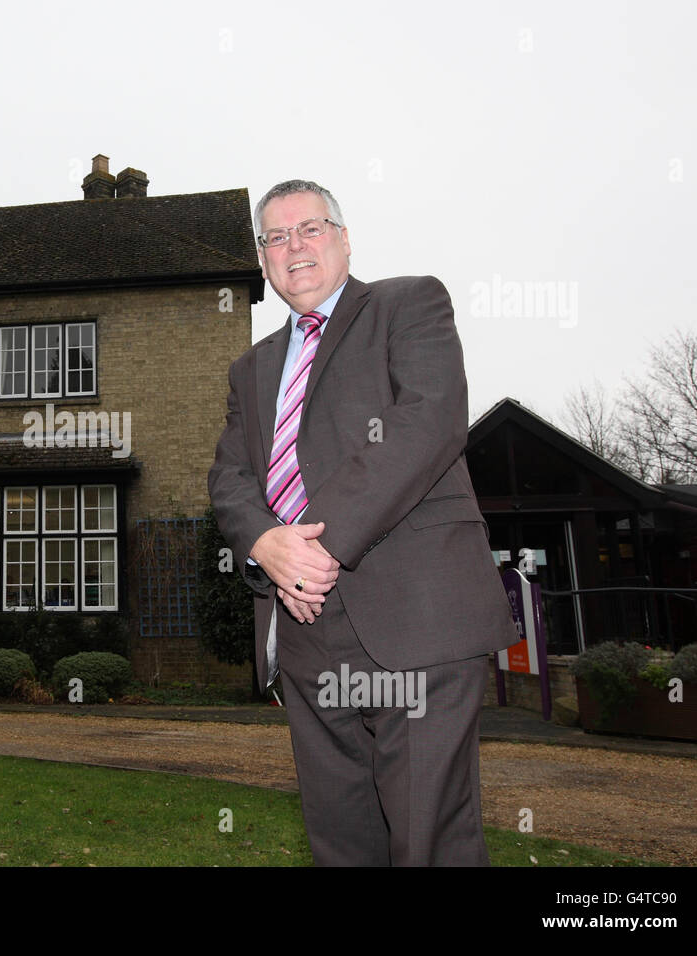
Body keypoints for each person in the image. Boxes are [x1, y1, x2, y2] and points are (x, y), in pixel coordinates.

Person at [207, 179, 519, 866]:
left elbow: (427, 423)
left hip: (416, 618)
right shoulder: (249, 368)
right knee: (342, 843)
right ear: (263, 259)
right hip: (303, 631)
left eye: (310, 229)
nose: (295, 248)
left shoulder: (408, 304)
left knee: (427, 838)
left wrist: (319, 544)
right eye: (276, 238)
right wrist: (264, 543)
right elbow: (230, 477)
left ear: (344, 239)